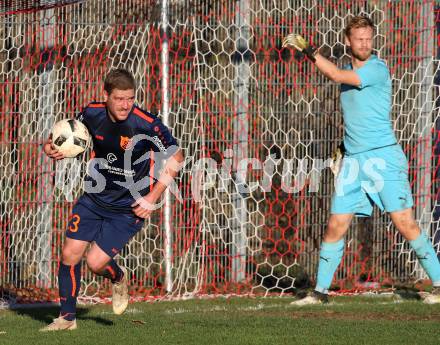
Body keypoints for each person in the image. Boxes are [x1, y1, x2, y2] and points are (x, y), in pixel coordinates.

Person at [282, 15, 440, 305]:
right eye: (359, 39)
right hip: (354, 162)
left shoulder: (376, 69)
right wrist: (344, 148)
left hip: (383, 158)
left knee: (404, 223)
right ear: (348, 42)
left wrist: (308, 51)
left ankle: (439, 284)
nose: (365, 43)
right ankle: (319, 293)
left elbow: (336, 76)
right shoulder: (346, 71)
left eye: (368, 38)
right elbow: (358, 116)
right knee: (336, 225)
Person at [41, 68, 184, 330]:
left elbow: (177, 157)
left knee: (96, 263)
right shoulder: (91, 113)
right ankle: (67, 319)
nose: (125, 105)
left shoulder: (146, 124)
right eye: (119, 98)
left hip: (127, 208)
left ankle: (118, 277)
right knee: (69, 254)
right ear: (105, 95)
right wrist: (51, 147)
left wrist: (151, 198)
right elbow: (61, 138)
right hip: (93, 199)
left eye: (130, 98)